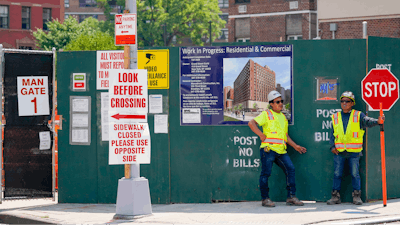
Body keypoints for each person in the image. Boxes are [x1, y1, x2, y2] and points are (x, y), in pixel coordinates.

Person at [248, 90, 307, 207]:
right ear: (271, 104)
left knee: (290, 169)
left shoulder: (283, 117)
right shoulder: (266, 114)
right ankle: (265, 199)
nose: (280, 104)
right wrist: (260, 134)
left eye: (281, 101)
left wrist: (295, 146)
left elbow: (285, 135)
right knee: (266, 173)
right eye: (277, 102)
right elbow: (251, 123)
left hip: (281, 150)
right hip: (268, 149)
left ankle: (291, 197)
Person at [327, 91, 384, 205]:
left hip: (354, 152)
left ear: (352, 103)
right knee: (337, 174)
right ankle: (335, 197)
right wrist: (332, 146)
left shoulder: (358, 115)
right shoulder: (335, 116)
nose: (344, 103)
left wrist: (377, 122)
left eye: (347, 101)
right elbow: (332, 133)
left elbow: (368, 122)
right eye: (342, 101)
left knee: (355, 174)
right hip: (339, 152)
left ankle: (357, 196)